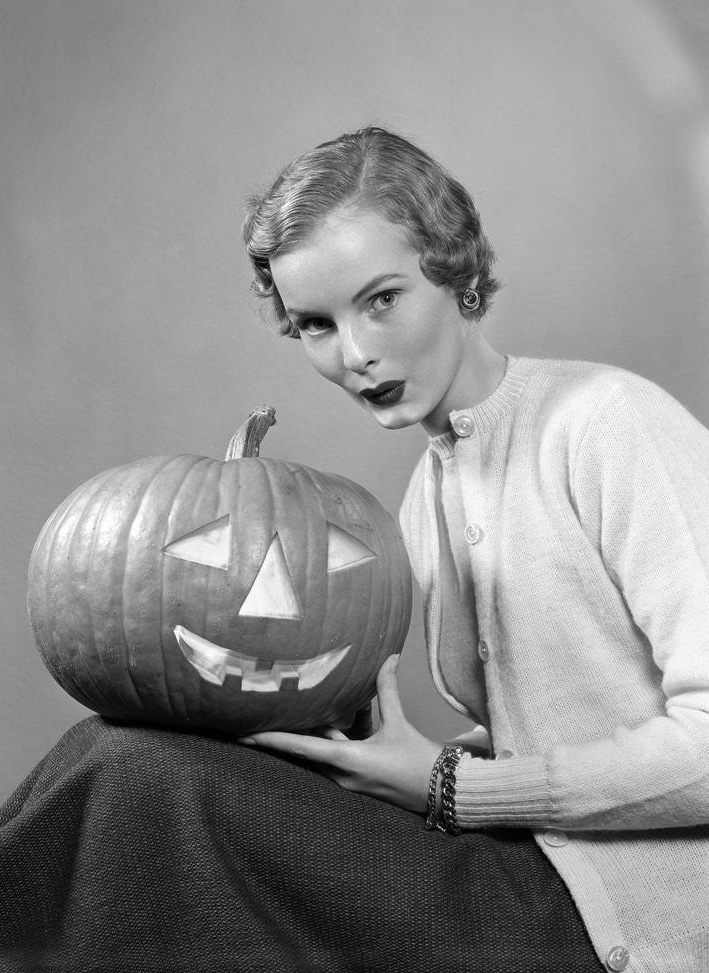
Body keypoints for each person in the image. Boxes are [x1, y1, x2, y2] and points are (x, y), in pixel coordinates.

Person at [240, 126, 709, 972]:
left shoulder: (607, 423)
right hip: (532, 877)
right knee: (159, 775)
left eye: (381, 299)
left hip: (647, 932)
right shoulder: (425, 497)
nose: (355, 354)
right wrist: (385, 753)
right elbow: (547, 724)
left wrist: (451, 785)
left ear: (454, 271)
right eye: (314, 324)